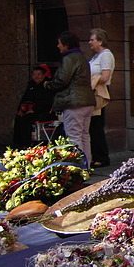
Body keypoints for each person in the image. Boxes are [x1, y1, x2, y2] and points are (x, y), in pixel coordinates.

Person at [45, 32, 95, 167]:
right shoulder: (82, 57)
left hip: (74, 103)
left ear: (66, 45)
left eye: (59, 43)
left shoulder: (69, 58)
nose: (57, 46)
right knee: (84, 135)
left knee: (74, 136)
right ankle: (86, 166)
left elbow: (62, 80)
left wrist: (48, 84)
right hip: (87, 102)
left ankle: (77, 167)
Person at [88, 28, 115, 167]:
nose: (90, 42)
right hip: (93, 90)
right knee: (92, 125)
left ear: (100, 41)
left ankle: (102, 157)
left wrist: (92, 79)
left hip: (99, 91)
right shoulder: (95, 56)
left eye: (92, 39)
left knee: (96, 125)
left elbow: (105, 76)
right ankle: (95, 155)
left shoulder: (106, 55)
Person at [12, 65, 56, 147]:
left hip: (43, 112)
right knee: (19, 118)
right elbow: (24, 98)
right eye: (34, 75)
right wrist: (21, 109)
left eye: (39, 74)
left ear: (43, 75)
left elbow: (47, 101)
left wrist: (34, 110)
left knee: (27, 119)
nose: (36, 77)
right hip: (29, 110)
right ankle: (18, 144)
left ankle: (28, 144)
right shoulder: (31, 85)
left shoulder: (47, 85)